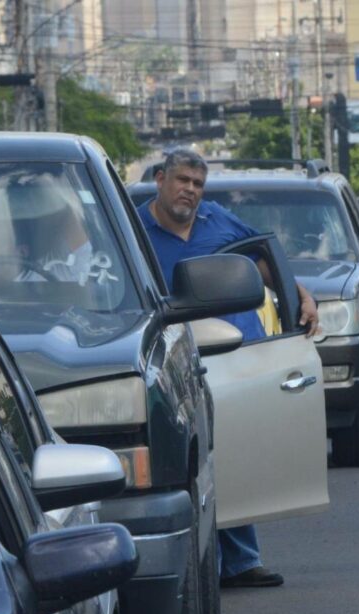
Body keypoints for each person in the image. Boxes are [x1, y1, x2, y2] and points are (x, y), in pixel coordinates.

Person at [137, 148, 320, 589]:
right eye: (182, 180)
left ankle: (240, 561)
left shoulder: (218, 220)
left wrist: (302, 296)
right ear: (160, 180)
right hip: (172, 358)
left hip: (238, 354)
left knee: (236, 449)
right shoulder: (132, 228)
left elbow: (263, 259)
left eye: (198, 184)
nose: (190, 191)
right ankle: (194, 565)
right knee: (187, 459)